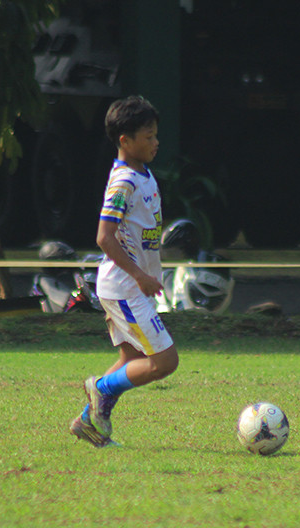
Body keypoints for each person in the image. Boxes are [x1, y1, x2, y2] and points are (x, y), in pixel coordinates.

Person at [69, 96, 179, 447]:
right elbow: (104, 237)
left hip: (129, 286)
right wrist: (139, 276)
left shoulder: (142, 175)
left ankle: (89, 423)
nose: (155, 142)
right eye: (148, 136)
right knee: (164, 362)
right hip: (124, 287)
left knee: (131, 359)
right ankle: (99, 389)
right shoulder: (123, 183)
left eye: (155, 135)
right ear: (125, 141)